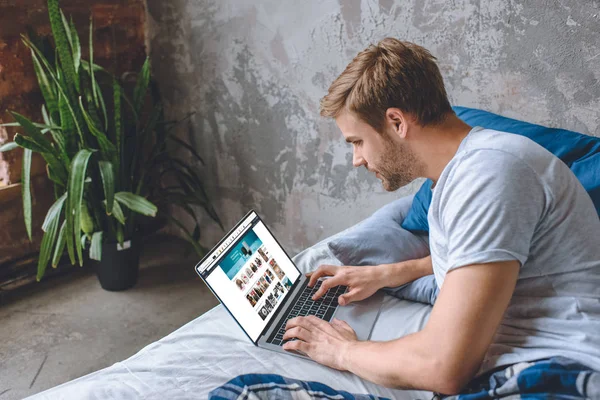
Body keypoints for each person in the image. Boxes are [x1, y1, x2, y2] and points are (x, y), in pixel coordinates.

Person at [281, 38, 600, 395]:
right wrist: (385, 274)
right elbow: (483, 257)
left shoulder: (490, 175)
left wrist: (341, 350)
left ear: (396, 122)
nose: (357, 159)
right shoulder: (464, 173)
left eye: (357, 141)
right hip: (528, 364)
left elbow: (443, 366)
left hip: (558, 374)